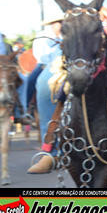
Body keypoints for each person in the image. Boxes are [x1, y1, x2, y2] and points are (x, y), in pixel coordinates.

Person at [27, 15, 65, 174]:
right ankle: (25, 109)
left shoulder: (73, 32)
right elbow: (41, 57)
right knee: (35, 81)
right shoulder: (43, 36)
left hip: (74, 62)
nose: (61, 24)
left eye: (63, 21)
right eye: (58, 22)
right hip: (50, 64)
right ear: (52, 24)